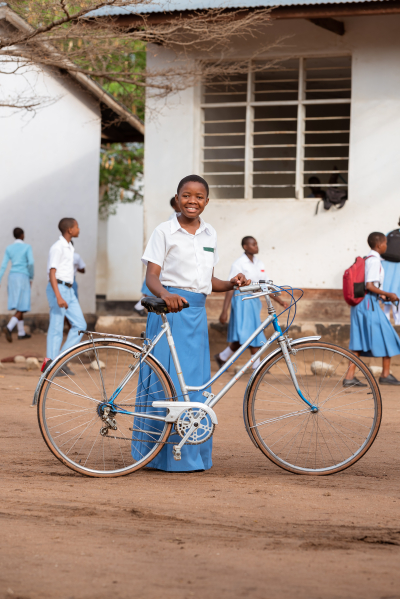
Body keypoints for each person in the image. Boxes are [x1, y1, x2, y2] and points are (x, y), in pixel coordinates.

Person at [133, 174, 250, 472]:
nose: (192, 201)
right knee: (165, 383)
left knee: (194, 386)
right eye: (186, 195)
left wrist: (233, 282)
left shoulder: (210, 234)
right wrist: (166, 295)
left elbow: (209, 281)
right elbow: (152, 277)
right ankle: (156, 456)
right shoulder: (164, 231)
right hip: (168, 312)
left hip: (197, 316)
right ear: (177, 197)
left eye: (199, 196)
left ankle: (190, 455)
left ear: (207, 202)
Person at [215, 236, 288, 373]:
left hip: (255, 300)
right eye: (253, 244)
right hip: (242, 300)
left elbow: (265, 286)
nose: (256, 246)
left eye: (256, 244)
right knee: (252, 333)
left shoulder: (259, 264)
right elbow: (231, 287)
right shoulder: (238, 264)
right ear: (245, 247)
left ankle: (222, 357)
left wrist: (280, 300)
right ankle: (257, 367)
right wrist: (224, 311)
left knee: (246, 334)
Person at [345, 231, 400, 387]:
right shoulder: (375, 261)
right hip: (368, 305)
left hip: (362, 304)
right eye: (385, 244)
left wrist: (382, 297)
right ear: (379, 245)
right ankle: (385, 374)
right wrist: (388, 293)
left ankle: (350, 377)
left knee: (358, 339)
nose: (386, 246)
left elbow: (367, 287)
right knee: (389, 335)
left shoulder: (366, 258)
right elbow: (369, 286)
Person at [46, 218, 86, 374]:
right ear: (70, 230)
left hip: (69, 290)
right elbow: (52, 272)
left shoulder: (69, 247)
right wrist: (58, 296)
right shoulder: (57, 247)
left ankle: (60, 360)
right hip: (59, 289)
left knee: (80, 325)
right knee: (56, 327)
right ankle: (50, 364)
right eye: (77, 226)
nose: (79, 229)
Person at [133, 196, 181, 316]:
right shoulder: (172, 222)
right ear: (174, 206)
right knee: (153, 275)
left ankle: (141, 303)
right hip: (167, 257)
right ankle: (141, 303)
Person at [0, 227, 34, 341]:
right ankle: (9, 327)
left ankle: (21, 332)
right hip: (23, 276)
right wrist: (31, 276)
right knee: (23, 304)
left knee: (20, 304)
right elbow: (31, 263)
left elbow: (4, 265)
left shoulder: (9, 248)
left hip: (12, 277)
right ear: (22, 235)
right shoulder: (27, 247)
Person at [382, 218, 400, 325]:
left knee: (387, 303)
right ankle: (398, 324)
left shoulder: (390, 234)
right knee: (397, 300)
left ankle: (386, 324)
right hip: (397, 270)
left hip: (387, 268)